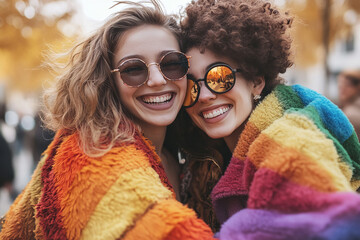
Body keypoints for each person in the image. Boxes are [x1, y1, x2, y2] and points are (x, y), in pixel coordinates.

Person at [0, 1, 215, 239]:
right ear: (106, 82)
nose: (156, 79)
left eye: (172, 63)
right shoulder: (93, 156)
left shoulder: (181, 150)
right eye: (133, 69)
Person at [180, 0, 360, 239]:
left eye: (220, 76)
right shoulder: (204, 157)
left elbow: (330, 224)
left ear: (256, 80)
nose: (204, 95)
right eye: (191, 85)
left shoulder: (291, 138)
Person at [338, 69, 360, 139]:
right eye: (340, 84)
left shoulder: (351, 114)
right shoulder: (348, 108)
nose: (342, 88)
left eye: (347, 84)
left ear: (357, 87)